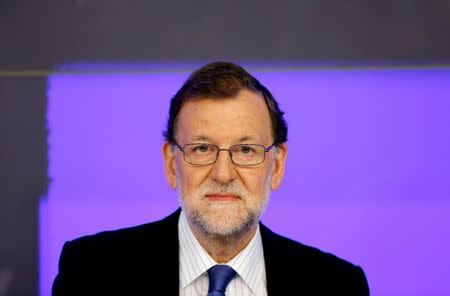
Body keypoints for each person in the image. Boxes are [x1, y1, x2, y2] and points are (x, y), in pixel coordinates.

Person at [52, 61, 370, 295]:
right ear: (170, 162)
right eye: (202, 148)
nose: (222, 173)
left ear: (277, 165)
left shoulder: (338, 285)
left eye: (246, 150)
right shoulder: (90, 272)